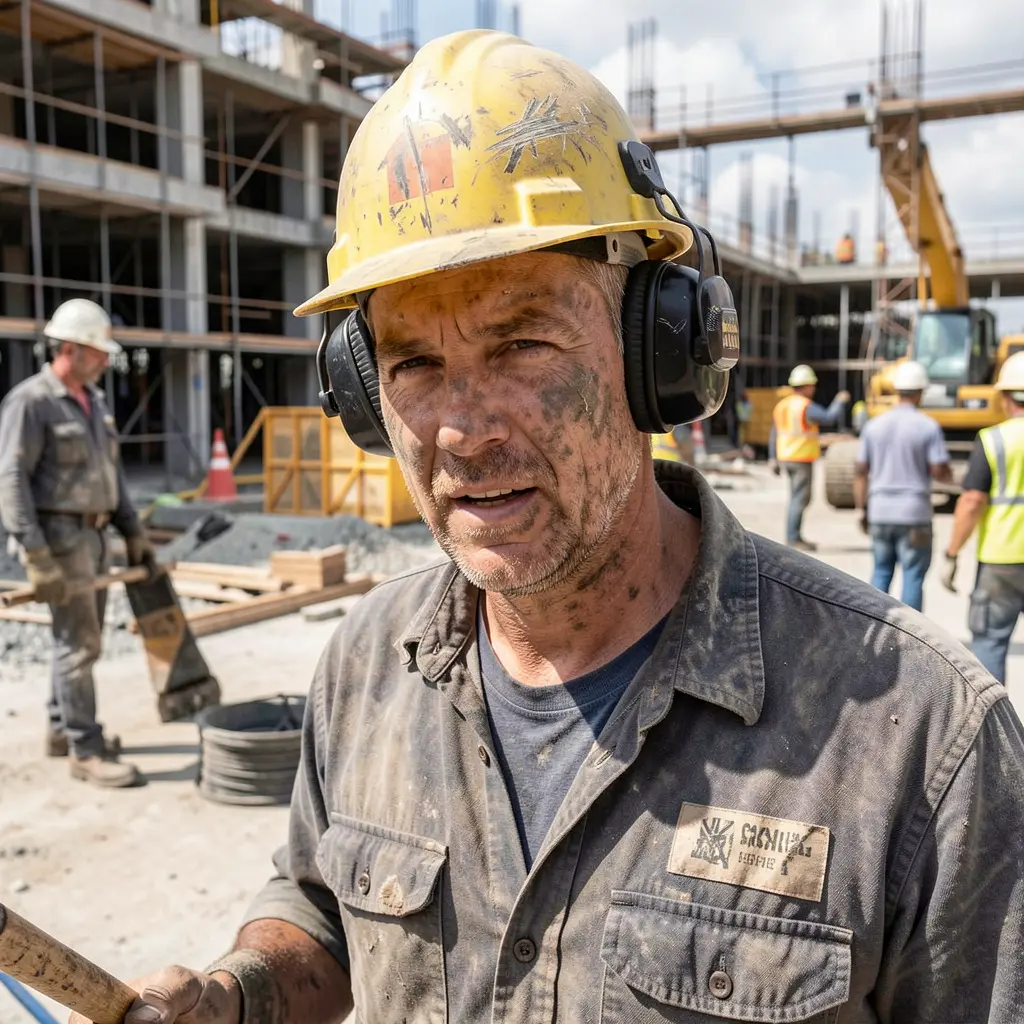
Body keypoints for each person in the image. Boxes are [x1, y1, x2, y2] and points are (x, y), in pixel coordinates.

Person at [73, 31, 1024, 1024]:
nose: (462, 430)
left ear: (663, 352)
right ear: (360, 395)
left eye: (522, 342)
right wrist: (241, 989)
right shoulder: (366, 668)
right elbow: (318, 906)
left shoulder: (917, 739)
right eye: (412, 366)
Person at [0, 298, 155, 788]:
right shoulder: (32, 401)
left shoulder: (95, 401)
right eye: (96, 352)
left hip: (94, 535)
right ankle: (85, 750)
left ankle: (59, 731)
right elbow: (12, 479)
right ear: (68, 349)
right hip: (60, 539)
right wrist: (36, 553)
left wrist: (133, 533)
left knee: (74, 641)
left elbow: (114, 475)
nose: (106, 361)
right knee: (79, 646)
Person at [941, 351, 1024, 682]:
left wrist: (952, 552)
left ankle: (997, 733)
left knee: (990, 643)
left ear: (1005, 398)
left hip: (1000, 559)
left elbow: (973, 500)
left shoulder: (993, 440)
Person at [854, 361, 951, 612]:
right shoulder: (928, 426)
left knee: (881, 572)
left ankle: (873, 632)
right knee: (913, 576)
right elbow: (939, 470)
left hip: (880, 511)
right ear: (920, 392)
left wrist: (861, 509)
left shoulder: (874, 425)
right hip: (914, 514)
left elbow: (860, 471)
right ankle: (912, 640)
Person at [769, 364, 850, 551]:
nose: (814, 389)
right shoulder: (805, 406)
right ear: (805, 386)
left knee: (795, 497)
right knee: (800, 499)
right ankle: (793, 537)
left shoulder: (782, 405)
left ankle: (793, 535)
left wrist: (772, 457)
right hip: (800, 457)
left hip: (785, 456)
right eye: (812, 385)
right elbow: (829, 417)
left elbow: (774, 432)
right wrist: (839, 401)